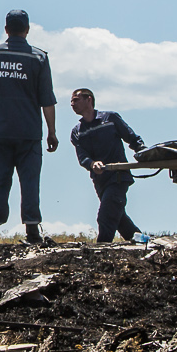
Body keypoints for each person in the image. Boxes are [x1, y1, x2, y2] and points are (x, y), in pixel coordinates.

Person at [0, 9, 56, 245]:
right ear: (27, 30)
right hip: (29, 133)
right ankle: (32, 231)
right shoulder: (38, 58)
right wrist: (52, 131)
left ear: (6, 29)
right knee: (30, 181)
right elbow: (47, 99)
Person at [70, 88, 146, 243]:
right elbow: (82, 156)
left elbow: (132, 137)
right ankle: (142, 242)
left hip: (118, 176)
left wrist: (144, 153)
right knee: (118, 217)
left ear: (88, 99)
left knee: (106, 216)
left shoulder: (110, 118)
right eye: (71, 101)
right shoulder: (77, 131)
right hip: (100, 181)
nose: (72, 104)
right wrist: (92, 164)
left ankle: (101, 249)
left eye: (76, 99)